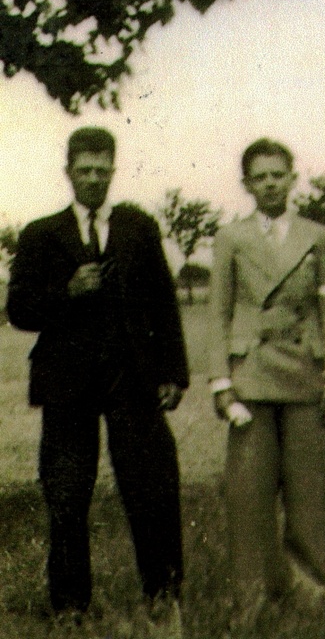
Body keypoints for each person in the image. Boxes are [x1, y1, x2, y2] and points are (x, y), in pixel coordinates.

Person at [7, 127, 188, 638]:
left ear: (113, 170)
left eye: (101, 169)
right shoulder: (42, 233)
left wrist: (174, 372)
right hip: (67, 383)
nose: (92, 178)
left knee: (151, 486)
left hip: (133, 379)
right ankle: (69, 606)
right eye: (83, 169)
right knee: (67, 493)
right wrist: (66, 291)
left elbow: (163, 302)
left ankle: (164, 595)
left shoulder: (137, 227)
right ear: (68, 172)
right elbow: (18, 309)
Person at [206, 138, 325, 630]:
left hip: (305, 373)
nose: (269, 184)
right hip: (250, 376)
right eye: (259, 176)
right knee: (248, 496)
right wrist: (221, 381)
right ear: (246, 184)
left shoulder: (318, 236)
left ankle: (314, 595)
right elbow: (218, 313)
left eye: (277, 175)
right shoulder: (231, 237)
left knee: (308, 493)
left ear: (292, 178)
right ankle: (252, 599)